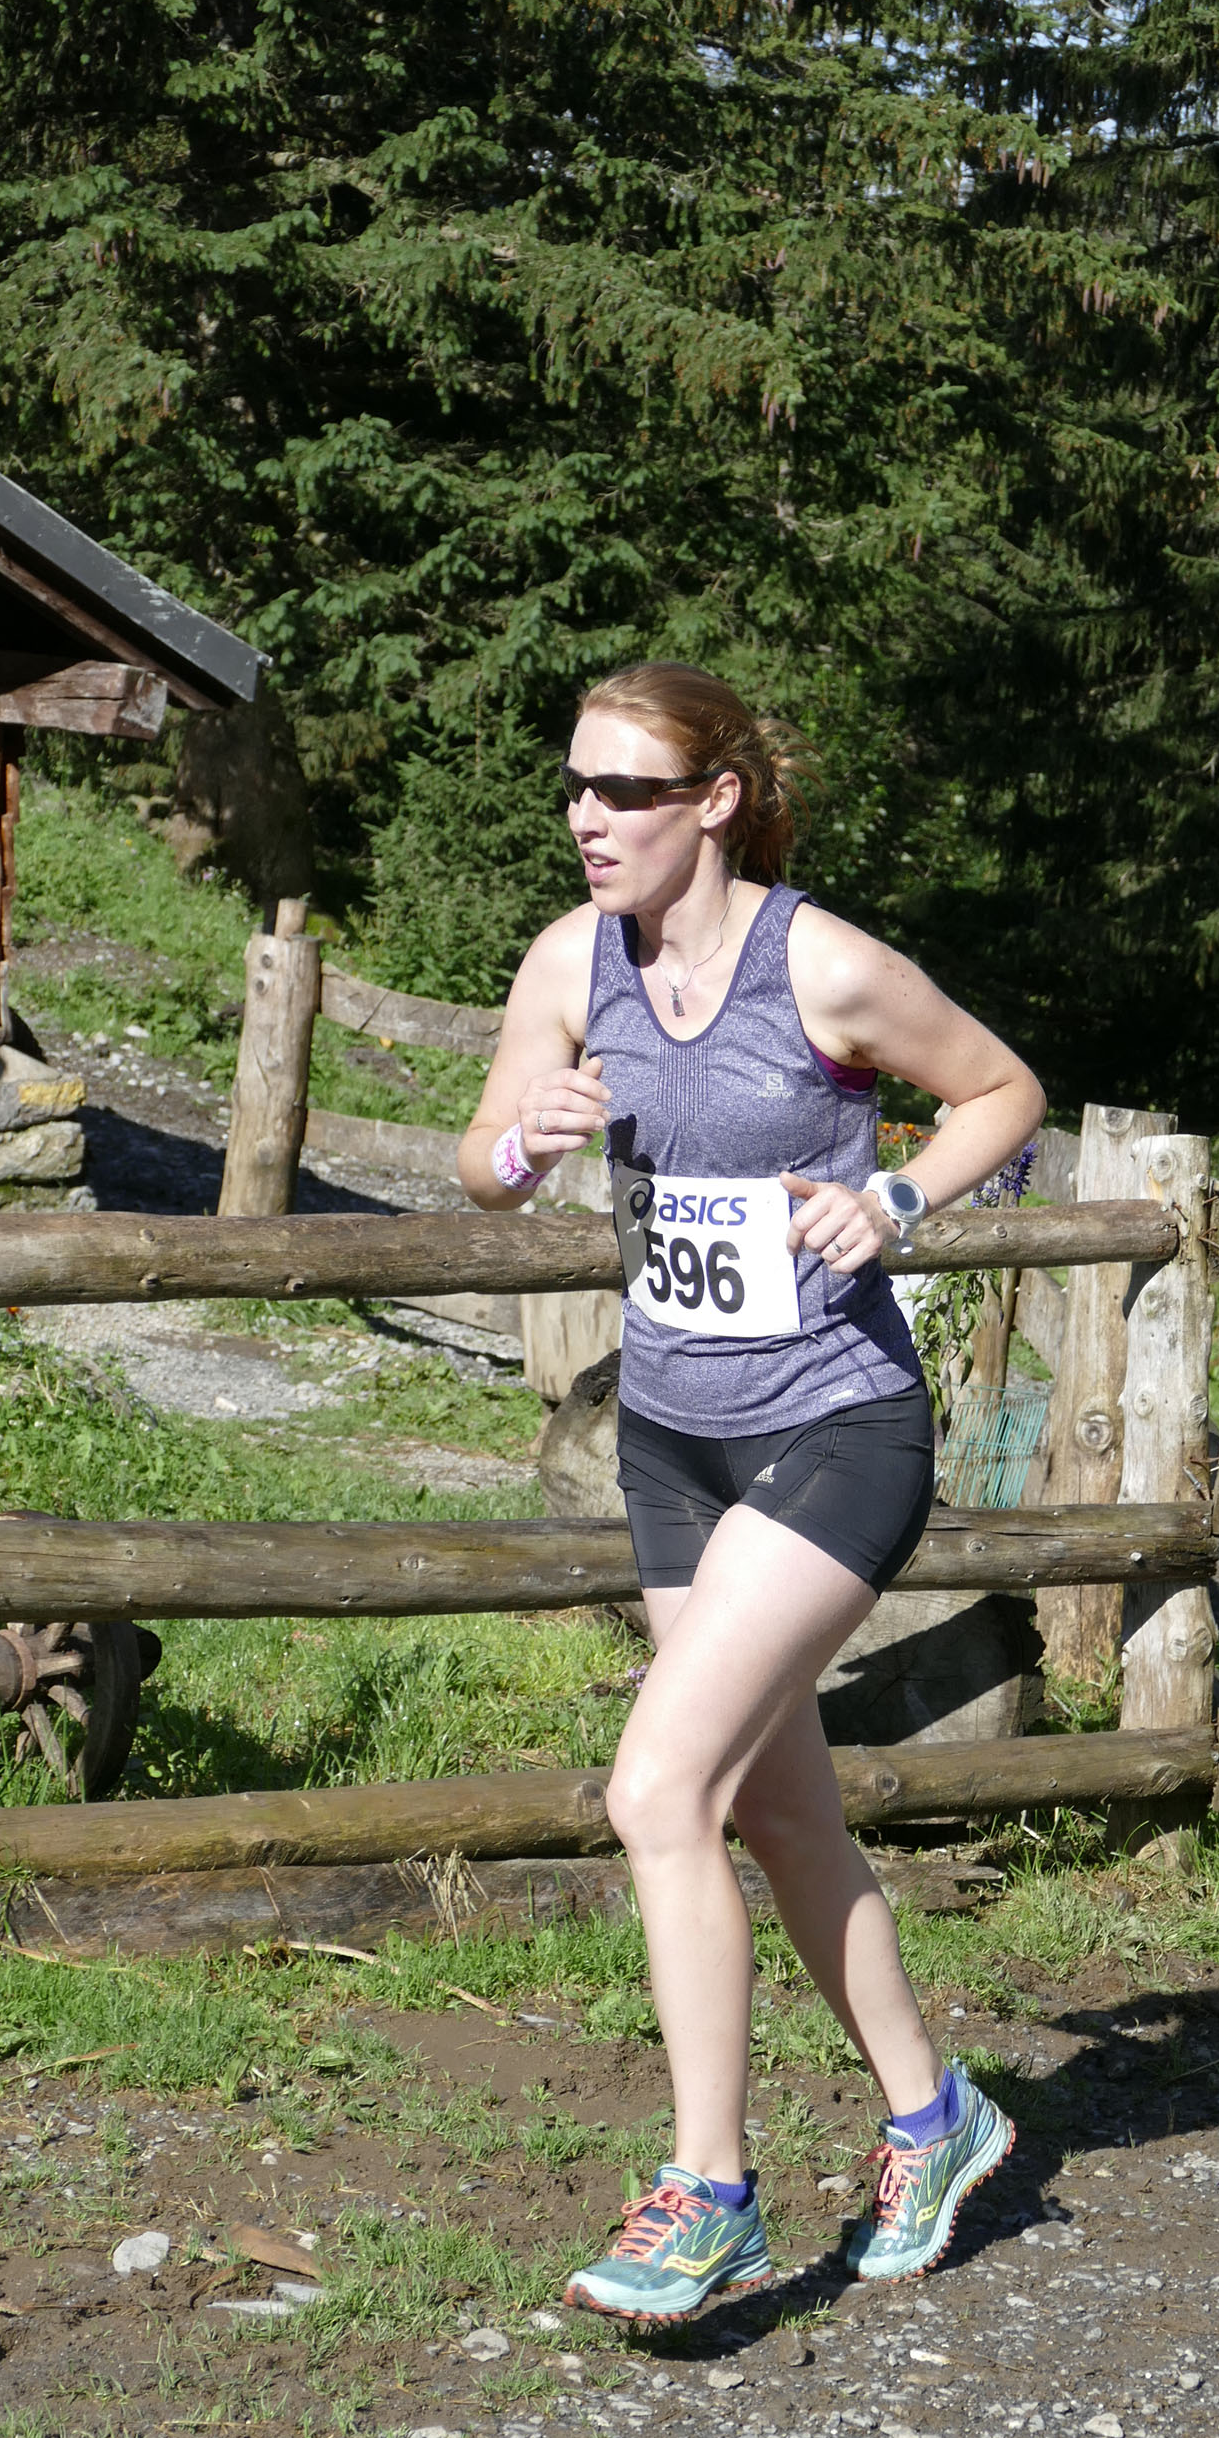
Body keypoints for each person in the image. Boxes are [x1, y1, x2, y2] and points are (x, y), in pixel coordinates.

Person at [459, 662, 1045, 2322]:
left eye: (623, 792)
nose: (585, 818)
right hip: (672, 1441)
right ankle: (935, 2118)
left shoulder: (823, 965)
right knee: (777, 1811)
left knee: (659, 1788)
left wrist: (901, 1202)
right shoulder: (572, 962)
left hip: (834, 1429)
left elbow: (1004, 1089)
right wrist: (524, 1145)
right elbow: (480, 1164)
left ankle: (706, 2190)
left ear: (713, 801)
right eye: (574, 786)